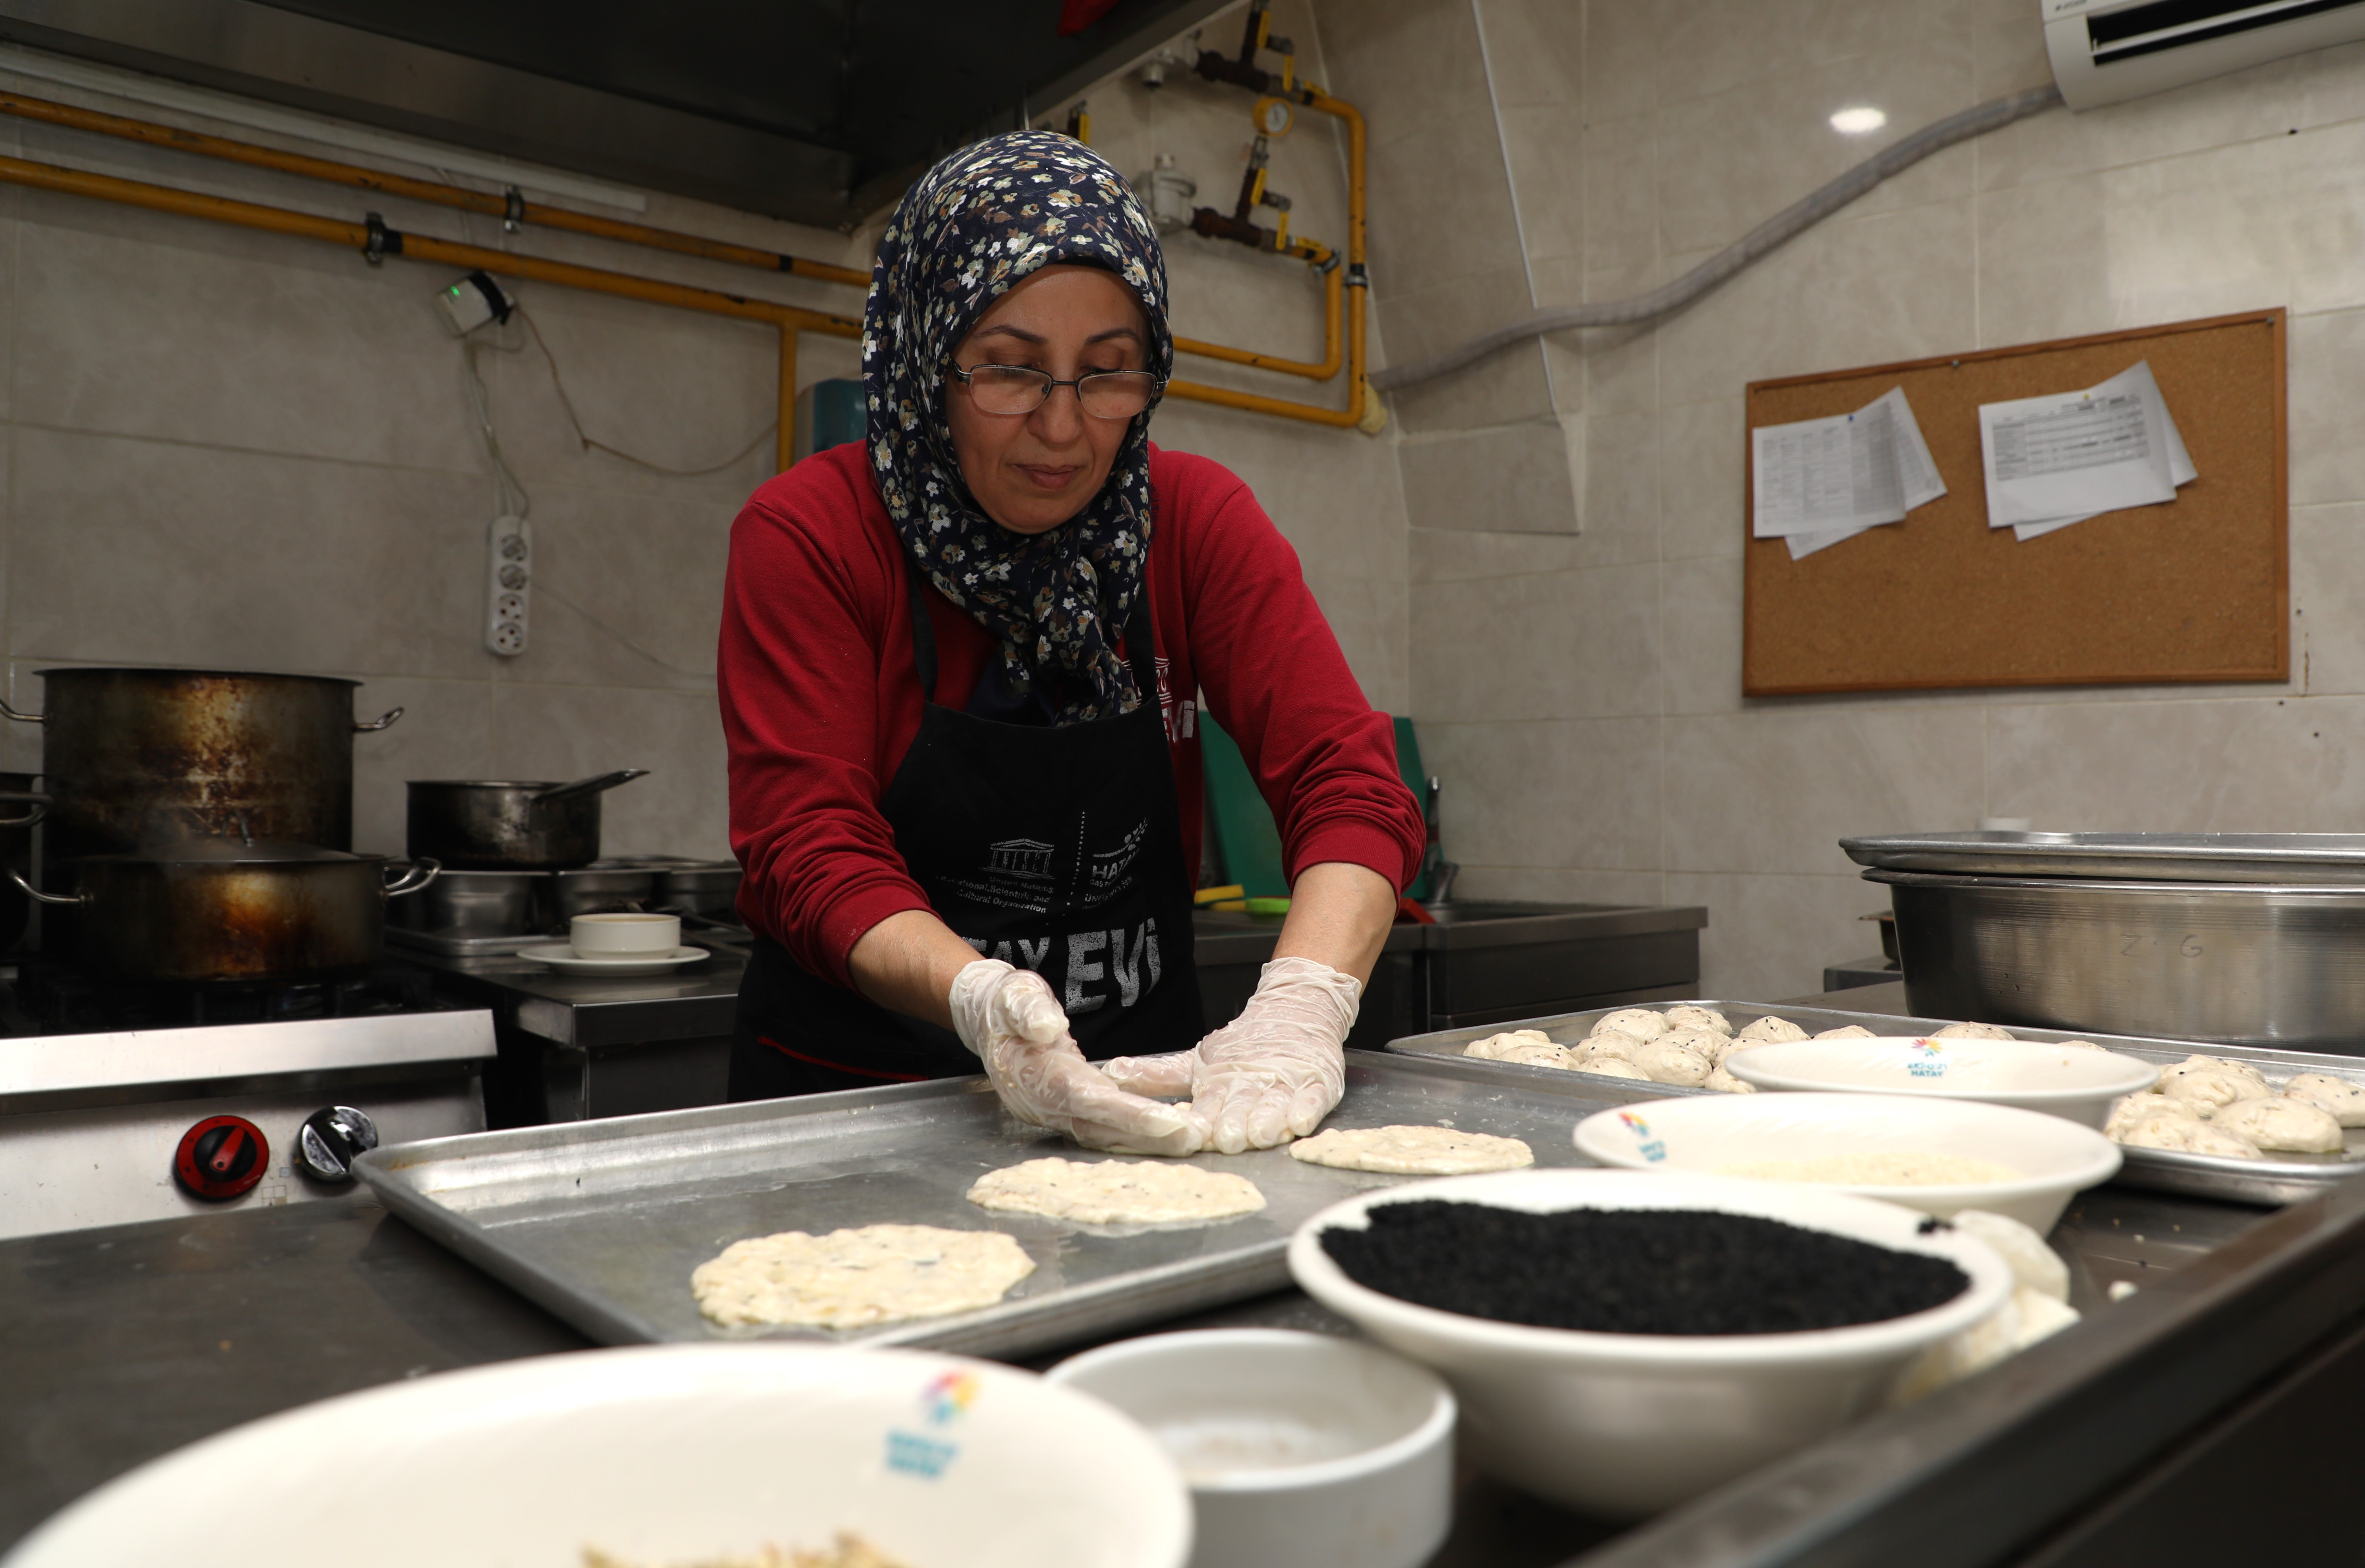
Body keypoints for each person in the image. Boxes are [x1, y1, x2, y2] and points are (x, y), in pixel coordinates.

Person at [719, 130, 1423, 1156]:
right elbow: (806, 846)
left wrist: (1302, 1006)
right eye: (1008, 370)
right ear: (926, 358)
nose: (1062, 427)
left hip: (1147, 1113)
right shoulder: (816, 535)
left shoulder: (1192, 524)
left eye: (1107, 373)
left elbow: (1349, 783)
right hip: (866, 1113)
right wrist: (979, 998)